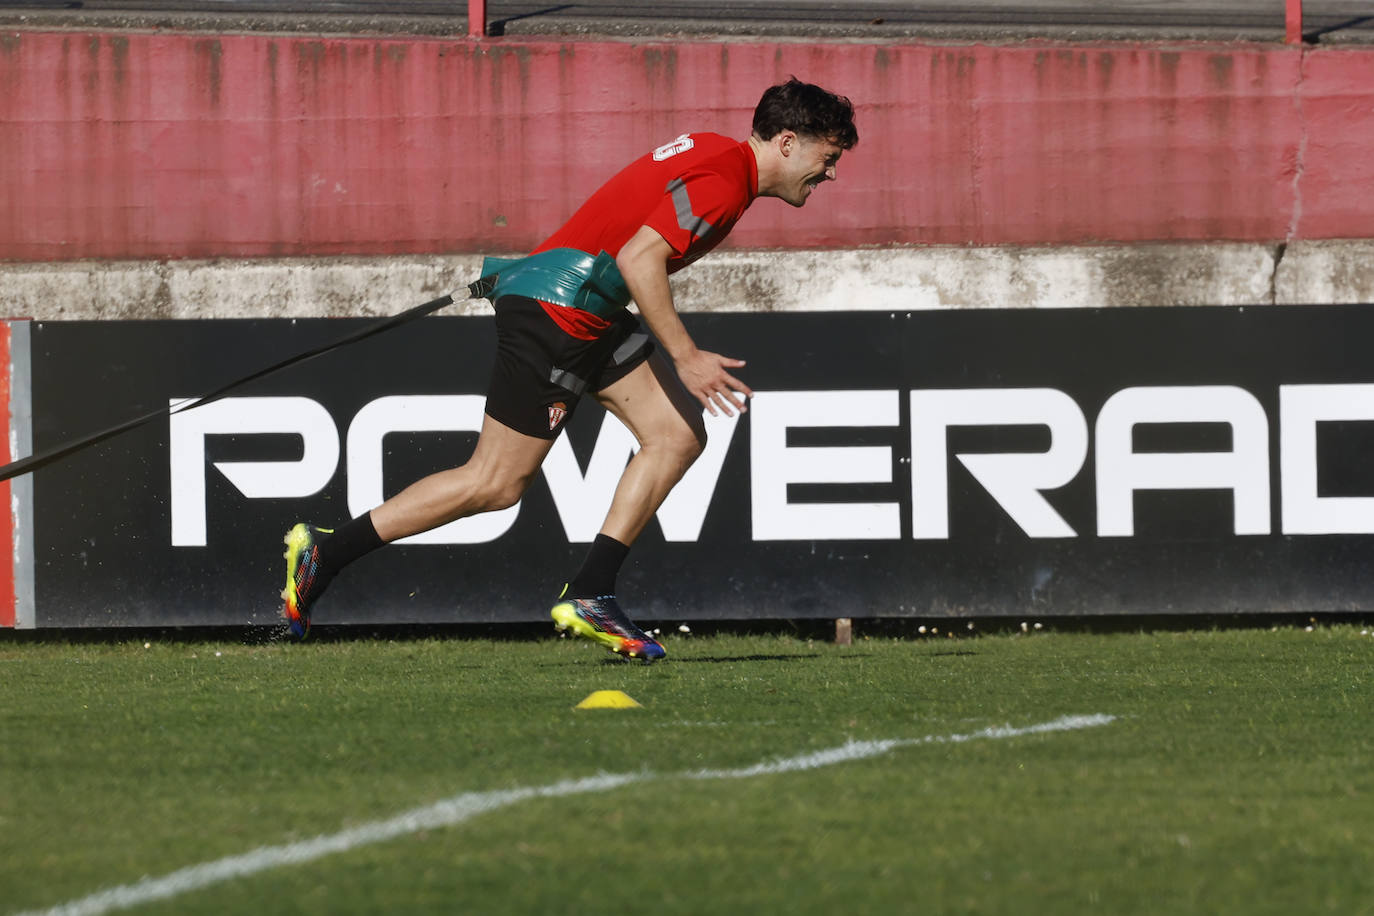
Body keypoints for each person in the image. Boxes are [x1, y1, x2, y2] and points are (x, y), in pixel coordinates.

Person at [280, 77, 858, 662]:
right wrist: (686, 356)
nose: (830, 173)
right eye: (828, 157)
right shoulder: (726, 181)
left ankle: (592, 592)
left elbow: (622, 233)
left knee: (676, 436)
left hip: (585, 305)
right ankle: (325, 554)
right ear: (787, 143)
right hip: (564, 310)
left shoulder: (717, 151)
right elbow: (639, 258)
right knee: (495, 483)